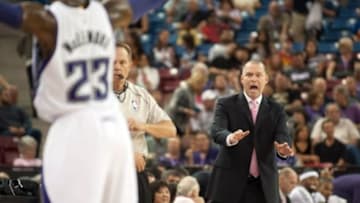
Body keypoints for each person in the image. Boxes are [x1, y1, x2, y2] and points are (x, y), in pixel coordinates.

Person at [0, 0, 164, 202]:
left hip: (76, 129)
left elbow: (9, 13)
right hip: (114, 128)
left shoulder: (47, 21)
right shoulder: (109, 13)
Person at [206, 60, 293, 203]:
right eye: (249, 75)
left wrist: (283, 149)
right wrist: (230, 137)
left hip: (263, 184)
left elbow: (283, 135)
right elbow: (216, 130)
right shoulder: (225, 103)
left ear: (265, 80)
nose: (254, 79)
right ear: (242, 79)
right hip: (230, 181)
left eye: (258, 75)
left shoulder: (276, 109)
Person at [113, 42, 176, 203]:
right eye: (112, 62)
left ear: (130, 65)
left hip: (137, 173)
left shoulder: (141, 94)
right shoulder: (94, 96)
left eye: (122, 62)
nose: (117, 67)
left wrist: (144, 126)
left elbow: (170, 130)